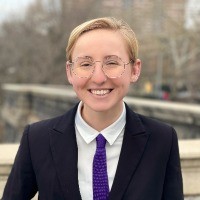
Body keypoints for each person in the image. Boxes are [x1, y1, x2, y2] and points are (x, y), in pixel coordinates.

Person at [2, 17, 183, 200]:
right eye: (86, 64)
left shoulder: (162, 140)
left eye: (112, 63)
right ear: (70, 72)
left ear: (135, 70)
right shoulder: (37, 139)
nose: (98, 78)